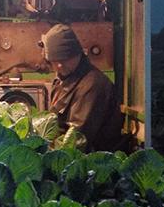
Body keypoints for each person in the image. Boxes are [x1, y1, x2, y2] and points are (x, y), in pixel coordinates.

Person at [42, 23, 133, 152]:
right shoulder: (61, 81)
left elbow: (77, 138)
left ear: (77, 54)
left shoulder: (93, 85)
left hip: (93, 162)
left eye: (65, 59)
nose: (59, 66)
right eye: (55, 61)